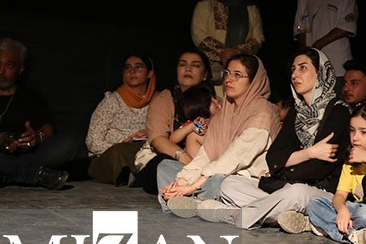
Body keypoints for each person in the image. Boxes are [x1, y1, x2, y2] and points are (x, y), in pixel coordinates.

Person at [218, 48, 350, 229]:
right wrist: (310, 152)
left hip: (320, 192)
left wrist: (284, 167)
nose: (295, 74)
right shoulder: (297, 112)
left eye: (303, 68)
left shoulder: (338, 111)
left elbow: (319, 168)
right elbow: (273, 157)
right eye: (293, 69)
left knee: (295, 193)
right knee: (230, 184)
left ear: (321, 72)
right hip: (287, 186)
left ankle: (236, 215)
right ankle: (293, 218)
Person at [0, 38, 84, 190]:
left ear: (20, 69)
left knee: (71, 142)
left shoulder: (32, 96)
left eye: (9, 65)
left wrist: (37, 137)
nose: (1, 71)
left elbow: (47, 127)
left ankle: (0, 176)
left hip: (25, 154)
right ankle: (34, 174)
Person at [157, 54, 278, 214]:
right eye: (227, 73)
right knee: (165, 167)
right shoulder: (223, 114)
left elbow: (234, 158)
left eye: (237, 75)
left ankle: (190, 203)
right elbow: (205, 155)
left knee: (221, 182)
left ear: (253, 81)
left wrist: (193, 186)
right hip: (213, 172)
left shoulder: (263, 112)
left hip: (241, 178)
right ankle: (187, 201)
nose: (229, 79)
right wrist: (182, 181)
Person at [300, 104, 366, 244]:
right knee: (315, 203)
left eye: (364, 132)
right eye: (352, 131)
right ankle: (354, 236)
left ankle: (326, 226)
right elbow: (340, 195)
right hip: (356, 209)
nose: (355, 137)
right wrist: (341, 209)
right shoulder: (351, 161)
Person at [134, 49, 213, 194]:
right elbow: (158, 139)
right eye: (183, 65)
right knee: (162, 164)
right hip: (173, 156)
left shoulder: (214, 102)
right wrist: (187, 160)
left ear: (205, 74)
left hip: (204, 160)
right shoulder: (164, 99)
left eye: (195, 65)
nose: (188, 69)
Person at [85, 53, 157, 185]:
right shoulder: (112, 101)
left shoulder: (158, 101)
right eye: (128, 67)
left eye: (139, 67)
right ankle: (133, 176)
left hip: (142, 150)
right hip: (109, 156)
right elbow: (92, 141)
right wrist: (119, 144)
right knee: (120, 151)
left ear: (150, 73)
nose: (132, 71)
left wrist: (150, 133)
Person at [192, 0, 264, 82]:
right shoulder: (205, 6)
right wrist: (223, 52)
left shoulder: (251, 9)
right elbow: (198, 34)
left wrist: (237, 52)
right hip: (210, 70)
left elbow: (258, 37)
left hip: (242, 70)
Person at [293, 0, 358, 78]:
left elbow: (346, 26)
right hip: (312, 67)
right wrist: (305, 50)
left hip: (337, 65)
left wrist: (317, 45)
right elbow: (299, 26)